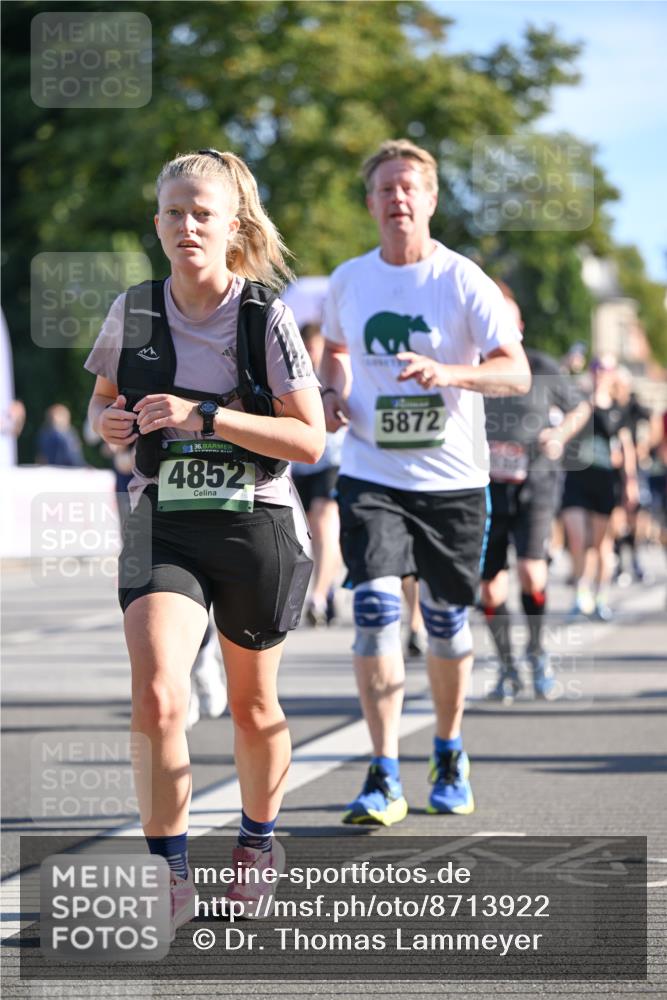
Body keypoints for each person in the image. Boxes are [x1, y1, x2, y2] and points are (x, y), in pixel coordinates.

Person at [85, 149, 324, 932]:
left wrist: (207, 416)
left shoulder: (263, 314)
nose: (186, 225)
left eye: (202, 213)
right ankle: (168, 870)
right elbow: (101, 406)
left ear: (231, 227)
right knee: (158, 693)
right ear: (156, 226)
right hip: (164, 519)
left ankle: (257, 844)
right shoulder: (135, 310)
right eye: (173, 213)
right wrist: (112, 424)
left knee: (253, 708)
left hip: (254, 520)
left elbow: (309, 441)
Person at [320, 138, 530, 825]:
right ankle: (381, 773)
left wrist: (451, 374)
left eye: (409, 186)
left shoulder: (461, 280)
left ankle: (447, 749)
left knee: (443, 623)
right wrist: (329, 392)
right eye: (385, 188)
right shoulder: (349, 279)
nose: (397, 198)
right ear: (370, 201)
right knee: (377, 611)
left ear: (431, 198)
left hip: (452, 482)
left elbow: (514, 371)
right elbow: (335, 348)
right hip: (369, 471)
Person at [480, 286, 591, 703]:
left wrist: (559, 435)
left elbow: (581, 407)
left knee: (531, 572)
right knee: (490, 589)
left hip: (537, 481)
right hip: (487, 487)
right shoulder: (475, 367)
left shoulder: (542, 365)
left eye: (508, 319)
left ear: (520, 326)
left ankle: (537, 650)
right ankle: (507, 665)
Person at [561, 354, 638, 620]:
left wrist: (631, 482)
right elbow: (566, 430)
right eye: (596, 367)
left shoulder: (620, 408)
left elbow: (626, 447)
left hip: (605, 481)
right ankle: (580, 595)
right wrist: (588, 402)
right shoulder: (579, 401)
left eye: (606, 368)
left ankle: (600, 596)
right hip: (576, 478)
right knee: (578, 538)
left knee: (600, 545)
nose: (600, 373)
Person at [290, 323, 345, 626]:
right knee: (312, 532)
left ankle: (318, 596)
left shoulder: (334, 376)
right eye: (307, 347)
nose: (312, 354)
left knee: (325, 522)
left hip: (333, 459)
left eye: (316, 348)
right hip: (299, 463)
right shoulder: (289, 373)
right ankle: (328, 587)